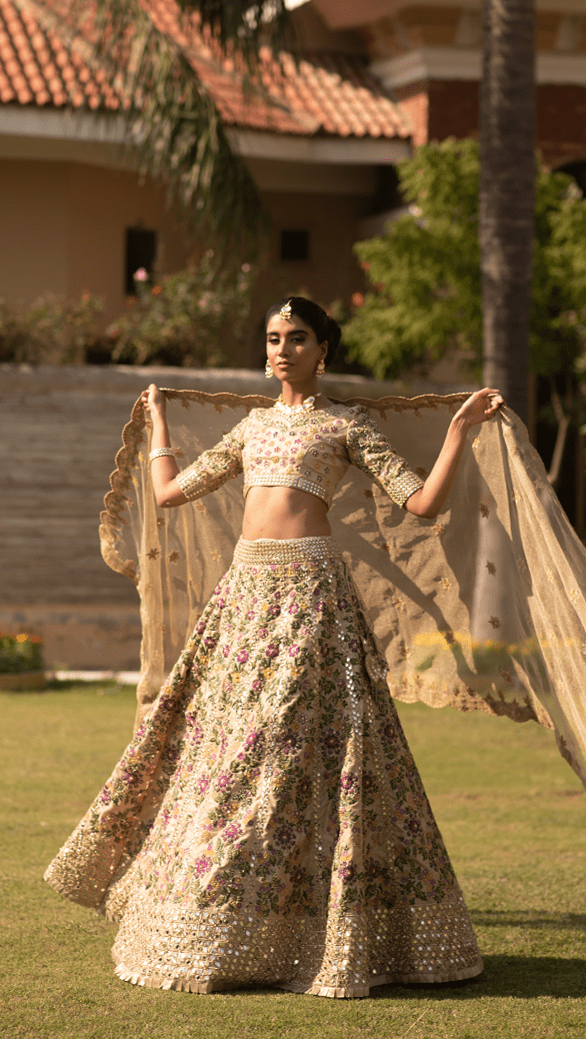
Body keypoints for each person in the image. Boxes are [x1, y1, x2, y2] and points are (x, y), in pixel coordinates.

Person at [45, 296, 504, 997]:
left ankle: (314, 920)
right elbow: (168, 493)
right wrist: (159, 423)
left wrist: (460, 431)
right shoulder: (251, 428)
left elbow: (422, 505)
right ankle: (217, 909)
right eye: (272, 338)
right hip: (244, 598)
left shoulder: (344, 425)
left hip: (313, 596)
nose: (282, 349)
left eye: (296, 337)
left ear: (324, 349)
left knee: (294, 745)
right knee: (225, 747)